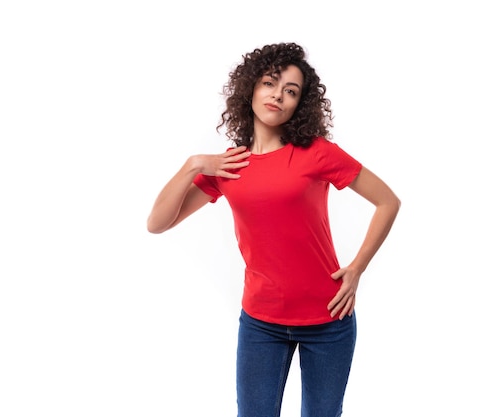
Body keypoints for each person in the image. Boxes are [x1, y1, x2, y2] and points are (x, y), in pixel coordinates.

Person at [147, 42, 400, 417]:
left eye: (291, 91)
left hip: (328, 320)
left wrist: (357, 267)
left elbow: (387, 201)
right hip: (260, 324)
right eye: (270, 83)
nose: (278, 95)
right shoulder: (228, 164)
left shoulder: (317, 152)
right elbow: (157, 223)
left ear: (300, 104)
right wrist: (194, 164)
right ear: (251, 87)